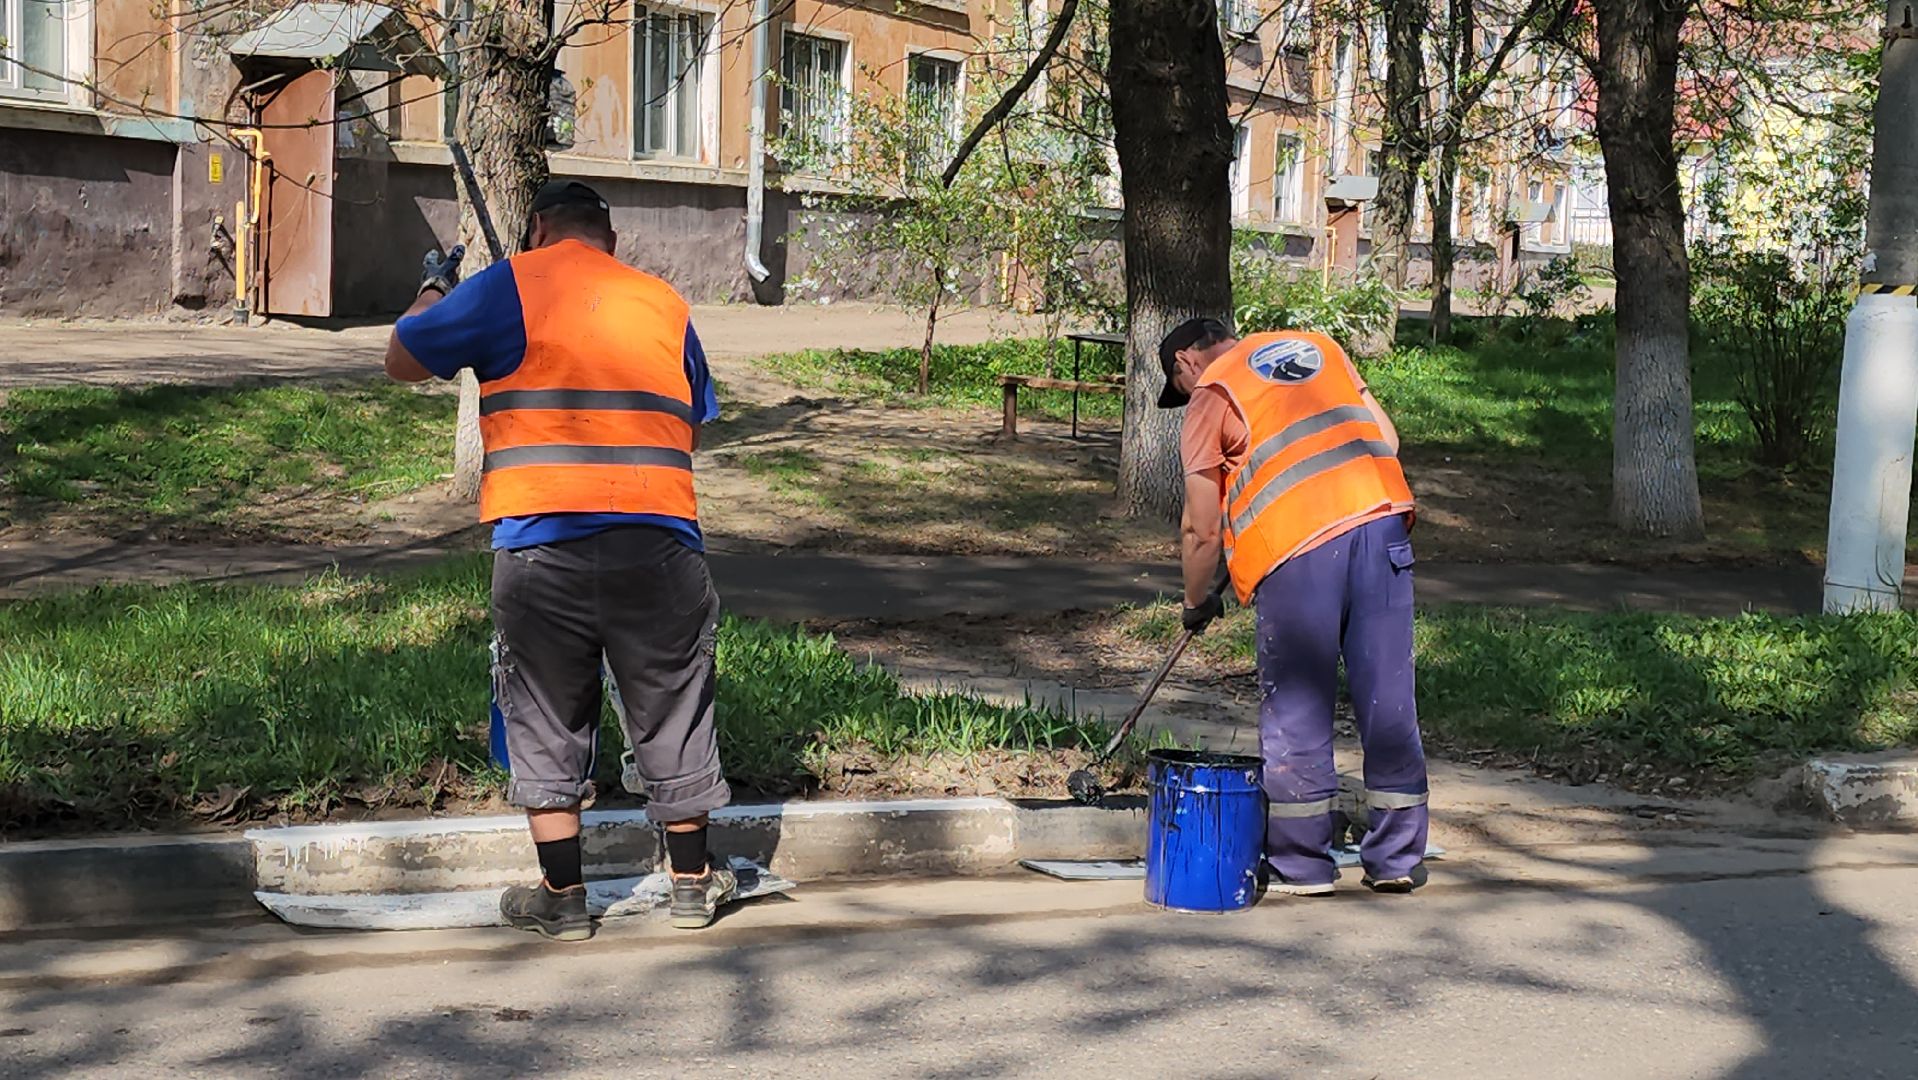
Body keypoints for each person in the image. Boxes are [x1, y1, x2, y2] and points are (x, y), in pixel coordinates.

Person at [383, 180, 735, 939]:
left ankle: (564, 898)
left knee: (544, 713)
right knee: (673, 699)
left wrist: (432, 286)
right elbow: (692, 426)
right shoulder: (663, 303)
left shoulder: (507, 286)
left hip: (541, 543)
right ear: (611, 237)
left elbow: (402, 359)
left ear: (539, 226)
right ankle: (692, 886)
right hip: (660, 542)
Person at [1159, 317, 1429, 895]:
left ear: (1185, 362)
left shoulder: (1211, 394)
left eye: (1177, 388)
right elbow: (1386, 437)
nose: (1184, 397)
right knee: (1388, 698)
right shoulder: (1318, 348)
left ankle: (1302, 864)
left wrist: (1194, 599)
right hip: (1382, 527)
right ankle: (1398, 857)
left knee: (1298, 705)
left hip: (1300, 550)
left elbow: (1200, 528)